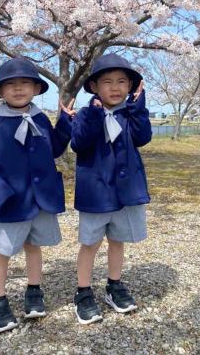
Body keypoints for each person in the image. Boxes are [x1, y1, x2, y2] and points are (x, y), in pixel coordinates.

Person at [0, 57, 75, 333]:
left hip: (40, 197)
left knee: (34, 245)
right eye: (10, 85)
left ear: (37, 89)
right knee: (2, 250)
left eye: (25, 83)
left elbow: (54, 148)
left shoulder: (39, 117)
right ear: (1, 92)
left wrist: (65, 122)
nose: (18, 89)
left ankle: (34, 291)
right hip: (9, 200)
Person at [71, 53, 152, 324]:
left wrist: (138, 107)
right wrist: (94, 115)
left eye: (121, 81)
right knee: (90, 243)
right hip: (95, 192)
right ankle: (83, 291)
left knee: (118, 241)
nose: (115, 87)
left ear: (130, 87)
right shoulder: (85, 114)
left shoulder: (131, 114)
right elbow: (79, 143)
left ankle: (114, 285)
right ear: (94, 87)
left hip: (126, 191)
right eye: (107, 82)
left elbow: (143, 138)